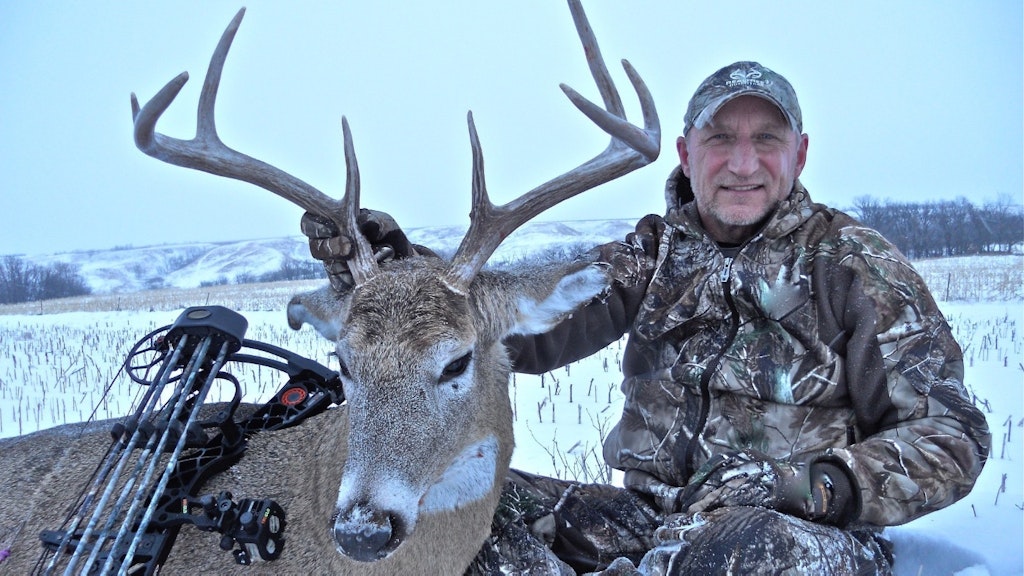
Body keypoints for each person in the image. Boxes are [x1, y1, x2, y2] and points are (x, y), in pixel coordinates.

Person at [301, 62, 992, 575]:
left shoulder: (852, 265)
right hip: (653, 519)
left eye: (766, 139)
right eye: (720, 139)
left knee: (743, 552)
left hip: (799, 533)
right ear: (687, 154)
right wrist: (398, 269)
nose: (742, 162)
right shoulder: (653, 255)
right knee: (482, 511)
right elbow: (510, 321)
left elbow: (955, 436)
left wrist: (813, 485)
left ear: (799, 153)